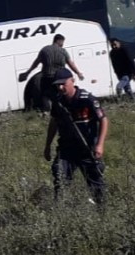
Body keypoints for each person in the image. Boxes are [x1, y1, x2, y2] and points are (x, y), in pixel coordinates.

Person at [43, 67, 107, 205]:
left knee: (96, 185)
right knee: (60, 177)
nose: (60, 87)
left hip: (87, 149)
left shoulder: (87, 99)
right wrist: (47, 146)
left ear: (72, 81)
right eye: (57, 85)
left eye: (63, 83)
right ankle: (61, 211)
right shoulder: (58, 103)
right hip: (67, 149)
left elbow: (103, 120)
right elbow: (53, 123)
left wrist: (100, 145)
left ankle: (102, 212)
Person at [19, 34, 83, 112]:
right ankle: (63, 110)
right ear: (59, 41)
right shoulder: (63, 51)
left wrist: (28, 72)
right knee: (61, 94)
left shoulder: (44, 50)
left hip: (47, 77)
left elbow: (36, 63)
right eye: (62, 42)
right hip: (60, 79)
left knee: (45, 95)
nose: (63, 44)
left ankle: (46, 112)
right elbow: (70, 63)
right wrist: (78, 73)